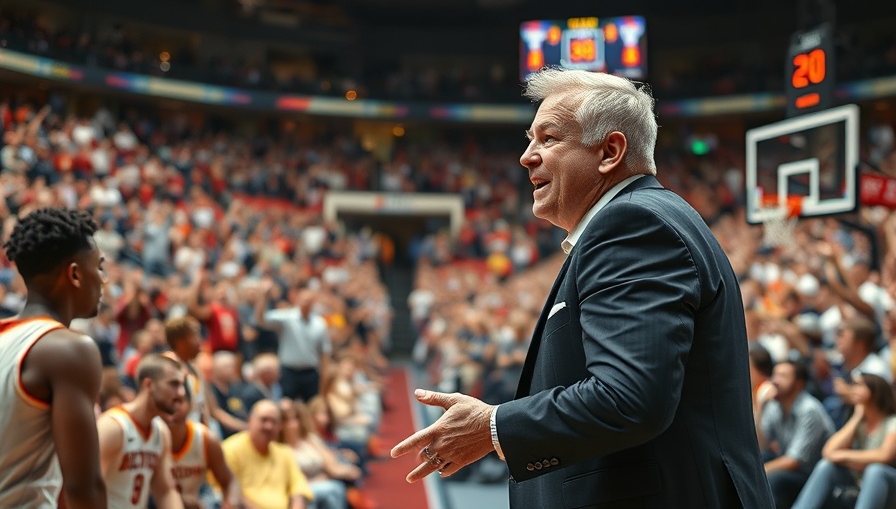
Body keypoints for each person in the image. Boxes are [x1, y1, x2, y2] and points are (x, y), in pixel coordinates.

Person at [391, 67, 774, 507]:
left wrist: (494, 427)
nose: (526, 156)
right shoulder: (644, 219)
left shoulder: (633, 224)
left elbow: (629, 397)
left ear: (610, 151)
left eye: (549, 139)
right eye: (529, 139)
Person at [0, 207, 107, 509]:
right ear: (74, 274)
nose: (103, 280)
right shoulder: (69, 350)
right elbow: (84, 489)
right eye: (99, 267)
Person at [792, 372, 896, 509]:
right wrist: (857, 417)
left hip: (888, 484)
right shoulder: (859, 423)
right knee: (826, 465)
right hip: (859, 483)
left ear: (875, 390)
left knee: (875, 470)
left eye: (858, 385)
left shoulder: (892, 422)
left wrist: (844, 456)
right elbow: (828, 451)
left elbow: (884, 455)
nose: (852, 389)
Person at [96, 354, 185, 508]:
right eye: (174, 384)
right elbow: (85, 489)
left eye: (182, 385)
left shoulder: (160, 432)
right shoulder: (113, 427)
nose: (181, 393)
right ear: (149, 384)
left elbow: (165, 491)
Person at [756, 360, 835, 508]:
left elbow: (794, 461)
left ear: (799, 384)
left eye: (783, 376)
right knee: (760, 459)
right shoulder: (774, 406)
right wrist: (760, 407)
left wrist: (759, 471)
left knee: (772, 478)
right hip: (790, 467)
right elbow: (762, 445)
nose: (775, 381)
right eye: (775, 375)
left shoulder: (809, 410)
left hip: (812, 476)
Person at [221, 399, 313, 509]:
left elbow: (298, 488)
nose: (269, 426)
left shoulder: (284, 452)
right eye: (264, 420)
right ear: (250, 421)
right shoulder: (230, 449)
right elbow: (229, 494)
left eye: (274, 422)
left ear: (279, 427)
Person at [163, 385, 242, 509]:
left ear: (189, 405)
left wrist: (230, 504)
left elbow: (230, 481)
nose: (172, 408)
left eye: (178, 401)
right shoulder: (148, 439)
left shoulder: (205, 438)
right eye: (165, 403)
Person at [255, 283, 331, 402]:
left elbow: (325, 352)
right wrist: (264, 297)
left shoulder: (319, 323)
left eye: (309, 300)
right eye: (304, 300)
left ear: (313, 302)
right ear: (298, 300)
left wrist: (324, 376)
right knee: (287, 406)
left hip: (310, 372)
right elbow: (261, 320)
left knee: (311, 407)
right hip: (289, 372)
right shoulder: (287, 318)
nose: (306, 303)